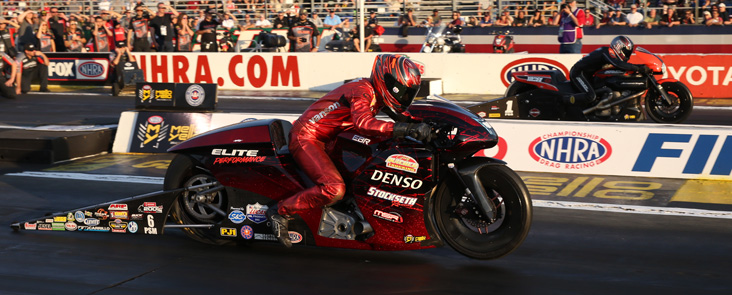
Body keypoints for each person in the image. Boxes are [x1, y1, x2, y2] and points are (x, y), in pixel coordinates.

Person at [265, 54, 429, 247]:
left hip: (333, 138)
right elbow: (364, 123)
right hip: (307, 137)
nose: (404, 96)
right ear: (386, 79)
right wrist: (406, 129)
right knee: (334, 189)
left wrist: (428, 125)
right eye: (401, 90)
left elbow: (404, 116)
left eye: (408, 92)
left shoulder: (378, 92)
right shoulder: (362, 91)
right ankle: (279, 211)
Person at [568, 36, 652, 106]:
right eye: (626, 52)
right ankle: (566, 100)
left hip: (588, 75)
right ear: (619, 47)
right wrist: (638, 67)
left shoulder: (609, 53)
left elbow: (620, 66)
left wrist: (638, 68)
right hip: (578, 73)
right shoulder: (608, 52)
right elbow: (618, 64)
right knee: (591, 96)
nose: (627, 56)